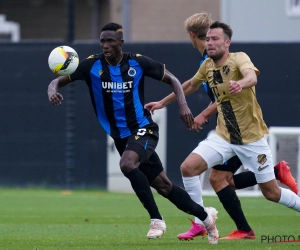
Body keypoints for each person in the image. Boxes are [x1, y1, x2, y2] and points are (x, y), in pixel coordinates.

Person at [47, 22, 219, 244]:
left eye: (110, 41)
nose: (105, 45)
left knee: (127, 165)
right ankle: (206, 217)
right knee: (164, 186)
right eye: (102, 41)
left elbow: (173, 80)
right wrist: (52, 91)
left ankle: (156, 219)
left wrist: (183, 105)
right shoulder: (91, 65)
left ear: (121, 43)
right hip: (121, 136)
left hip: (143, 128)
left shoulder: (137, 62)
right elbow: (56, 81)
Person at [145, 20, 300, 240]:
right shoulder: (207, 65)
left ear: (227, 43)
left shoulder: (239, 58)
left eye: (215, 39)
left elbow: (251, 76)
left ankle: (254, 214)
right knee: (188, 168)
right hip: (224, 136)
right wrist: (162, 102)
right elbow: (190, 85)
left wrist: (242, 84)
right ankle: (202, 220)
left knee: (271, 193)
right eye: (207, 39)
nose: (210, 43)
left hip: (252, 139)